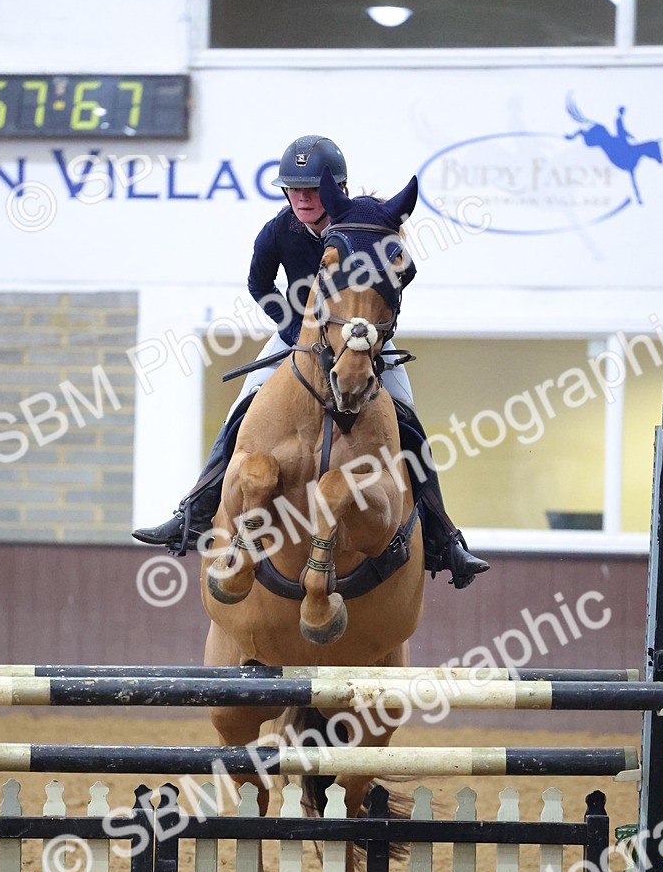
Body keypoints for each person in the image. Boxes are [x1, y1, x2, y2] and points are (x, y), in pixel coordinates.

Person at [132, 135, 489, 589]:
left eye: (311, 191)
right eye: (293, 190)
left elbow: (391, 281)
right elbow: (259, 284)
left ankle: (443, 537)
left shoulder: (365, 227)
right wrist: (290, 330)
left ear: (335, 189)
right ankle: (194, 511)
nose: (301, 199)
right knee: (241, 410)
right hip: (295, 343)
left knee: (408, 421)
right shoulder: (278, 231)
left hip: (362, 343)